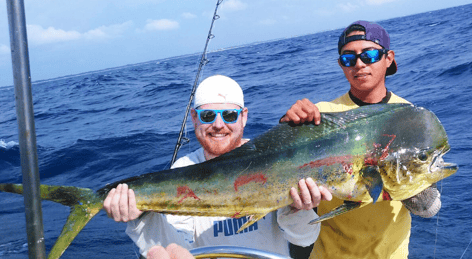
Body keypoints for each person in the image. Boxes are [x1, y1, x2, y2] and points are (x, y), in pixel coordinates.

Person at [104, 74, 331, 258]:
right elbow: (175, 247)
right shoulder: (182, 170)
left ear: (243, 117)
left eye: (230, 115)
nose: (218, 125)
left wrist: (298, 209)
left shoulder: (272, 160)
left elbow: (303, 239)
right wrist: (141, 219)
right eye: (208, 115)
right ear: (194, 118)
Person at [280, 20, 442, 259]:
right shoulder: (320, 116)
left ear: (388, 58)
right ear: (341, 65)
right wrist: (287, 126)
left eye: (369, 55)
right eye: (348, 58)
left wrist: (411, 187)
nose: (359, 64)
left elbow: (429, 209)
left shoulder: (410, 117)